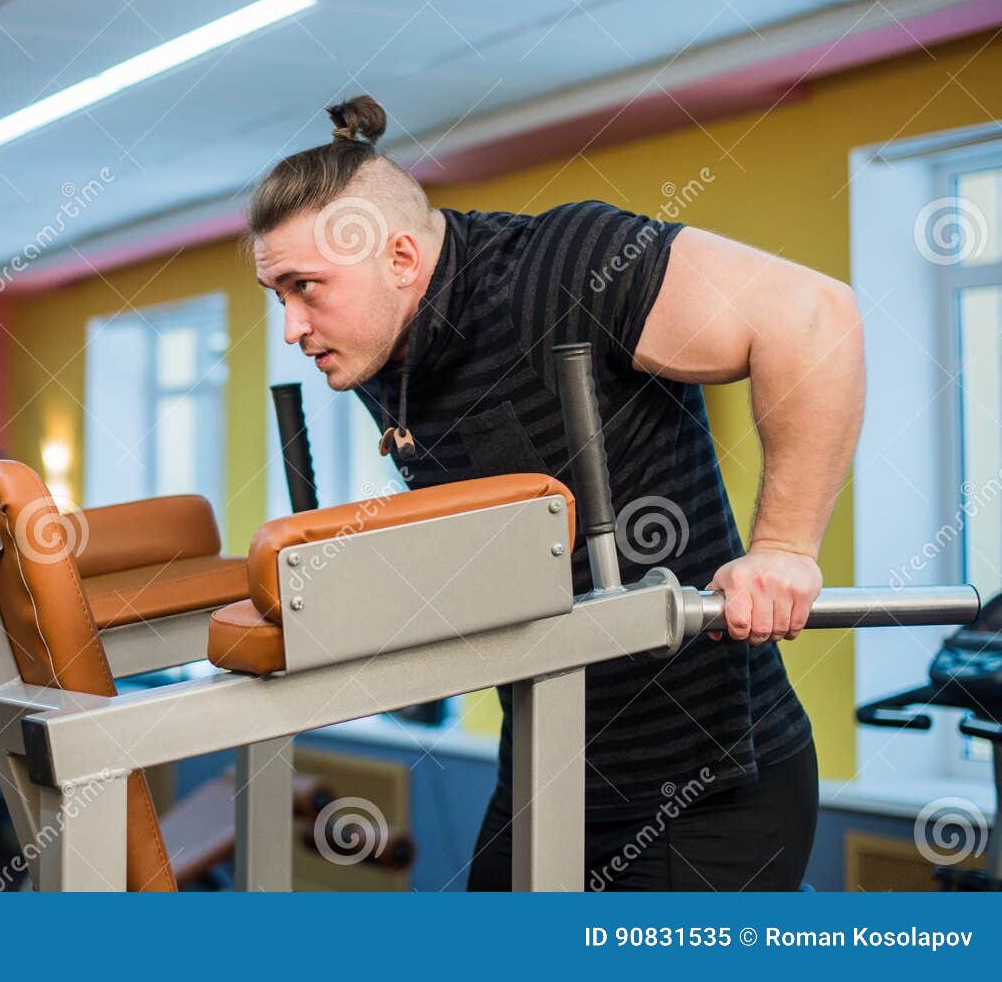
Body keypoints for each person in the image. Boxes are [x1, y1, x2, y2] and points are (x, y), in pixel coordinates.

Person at [248, 95, 864, 890]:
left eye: (306, 288)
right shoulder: (379, 356)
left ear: (399, 258)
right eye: (279, 297)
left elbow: (816, 316)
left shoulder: (564, 263)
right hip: (548, 766)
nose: (292, 327)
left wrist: (784, 549)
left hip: (711, 786)